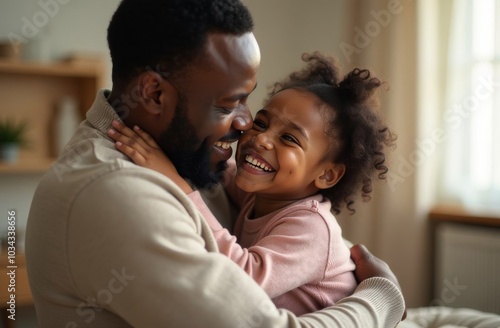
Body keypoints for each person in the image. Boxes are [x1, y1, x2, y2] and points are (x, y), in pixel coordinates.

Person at [24, 0, 405, 327]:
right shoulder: (118, 191)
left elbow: (305, 232)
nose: (246, 125)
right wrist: (382, 297)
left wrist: (344, 262)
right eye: (227, 104)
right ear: (154, 93)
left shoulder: (183, 152)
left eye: (247, 100)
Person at [107, 52, 397, 316]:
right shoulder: (262, 192)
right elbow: (219, 169)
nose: (261, 139)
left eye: (289, 139)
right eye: (261, 123)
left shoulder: (312, 228)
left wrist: (178, 186)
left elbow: (245, 277)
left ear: (327, 175)